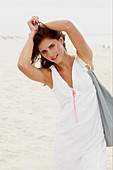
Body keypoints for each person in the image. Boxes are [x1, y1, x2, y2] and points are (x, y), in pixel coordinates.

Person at [17, 16, 107, 170]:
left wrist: (41, 26)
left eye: (52, 45)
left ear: (61, 40)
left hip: (93, 144)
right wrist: (32, 34)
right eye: (44, 51)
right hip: (65, 146)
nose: (50, 53)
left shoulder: (84, 59)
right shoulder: (50, 76)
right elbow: (23, 65)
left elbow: (67, 25)